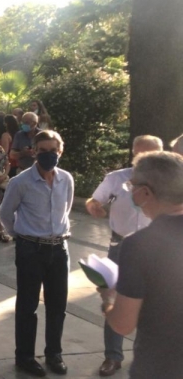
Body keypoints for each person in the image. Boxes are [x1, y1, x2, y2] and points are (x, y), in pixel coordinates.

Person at [97, 151, 183, 379]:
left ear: (145, 192)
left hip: (160, 366)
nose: (130, 192)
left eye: (131, 186)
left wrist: (108, 299)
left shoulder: (139, 245)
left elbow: (123, 324)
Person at [85, 135, 163, 377]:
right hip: (121, 247)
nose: (143, 161)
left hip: (157, 249)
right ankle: (113, 356)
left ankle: (145, 355)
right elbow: (95, 199)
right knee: (115, 299)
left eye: (149, 156)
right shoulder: (117, 178)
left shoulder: (170, 182)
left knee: (153, 305)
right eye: (139, 155)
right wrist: (93, 206)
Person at [0, 130, 74, 377]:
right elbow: (5, 213)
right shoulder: (20, 182)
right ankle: (25, 357)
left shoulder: (66, 180)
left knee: (57, 306)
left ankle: (54, 354)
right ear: (34, 151)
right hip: (30, 249)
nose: (47, 156)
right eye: (42, 151)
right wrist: (22, 236)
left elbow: (66, 210)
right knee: (27, 306)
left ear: (60, 152)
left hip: (59, 249)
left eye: (52, 151)